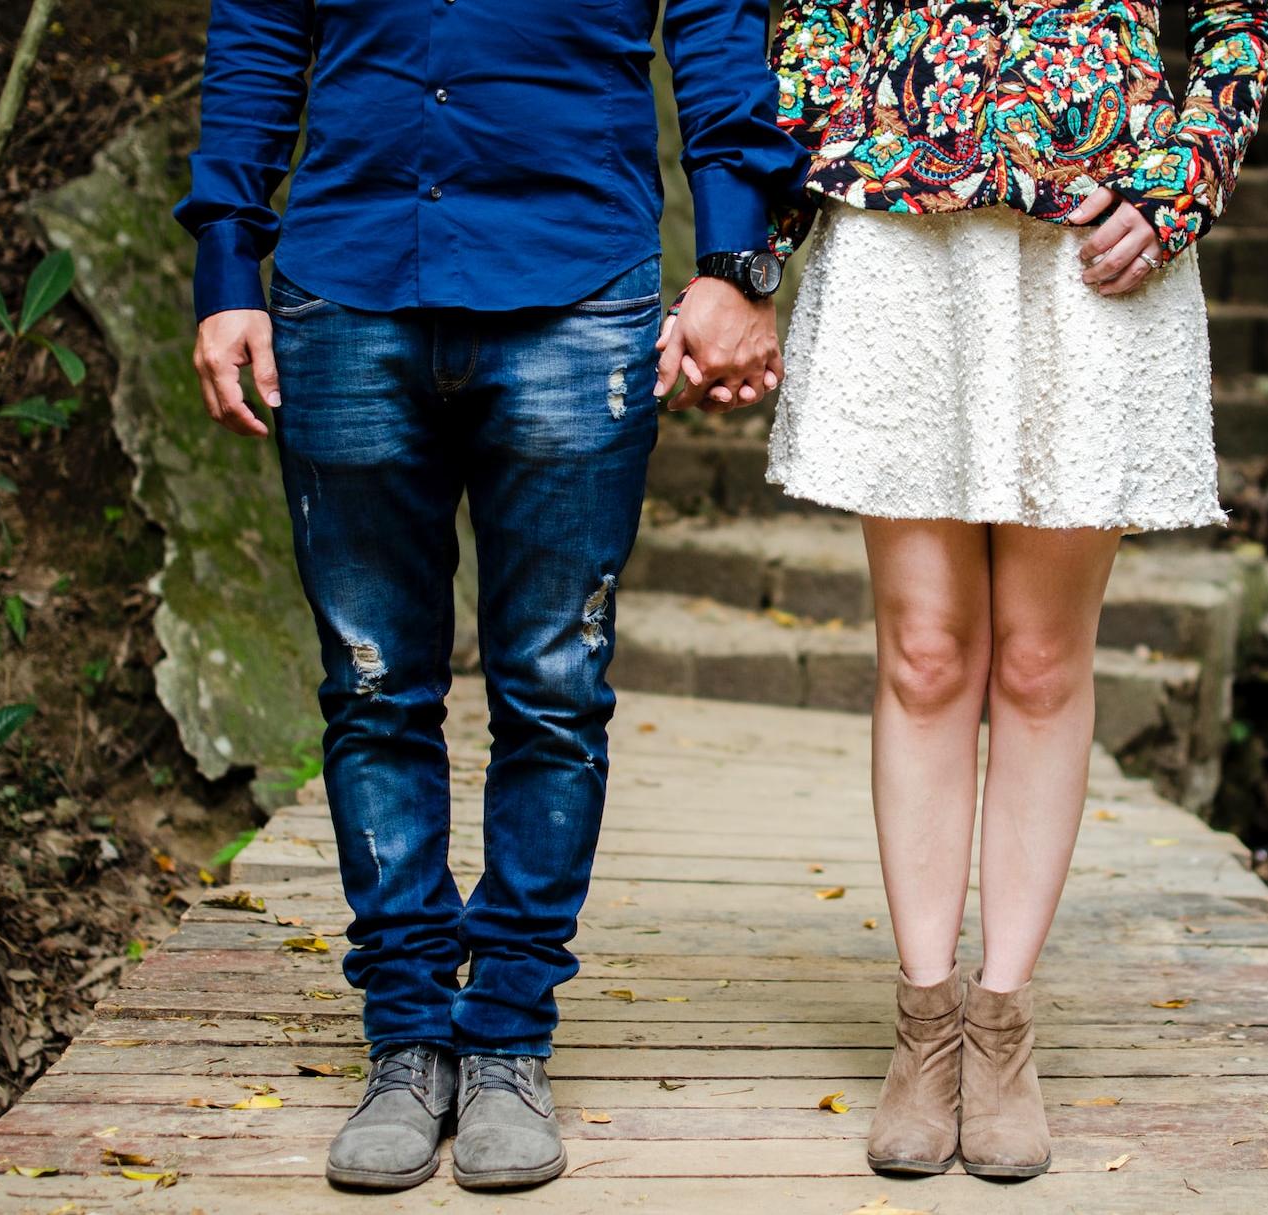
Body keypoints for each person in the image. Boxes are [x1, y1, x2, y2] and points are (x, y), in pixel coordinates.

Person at [175, 0, 805, 1192]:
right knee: (373, 690)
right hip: (345, 284)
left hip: (574, 293)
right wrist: (226, 269)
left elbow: (721, 35)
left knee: (556, 690)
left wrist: (735, 260)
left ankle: (509, 1032)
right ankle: (407, 1035)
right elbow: (257, 33)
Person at [765, 0, 1268, 1179]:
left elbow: (1239, 25)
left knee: (1043, 664)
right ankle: (924, 1025)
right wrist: (825, 162)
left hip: (1094, 239)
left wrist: (1177, 183)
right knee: (927, 652)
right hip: (903, 225)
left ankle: (1002, 1031)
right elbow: (808, 15)